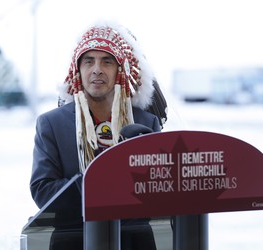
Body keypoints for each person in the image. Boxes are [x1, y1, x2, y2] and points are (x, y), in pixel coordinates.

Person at [30, 21, 168, 250]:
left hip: (134, 241)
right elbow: (43, 191)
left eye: (107, 61)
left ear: (120, 70)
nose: (97, 69)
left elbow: (160, 194)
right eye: (88, 61)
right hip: (73, 241)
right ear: (78, 70)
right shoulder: (51, 124)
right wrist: (105, 181)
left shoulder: (145, 123)